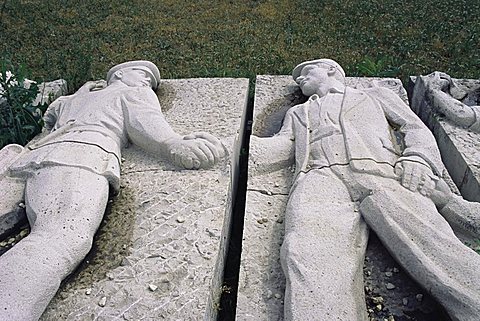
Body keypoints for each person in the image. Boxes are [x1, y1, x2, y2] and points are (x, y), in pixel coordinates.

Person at [251, 59, 480, 320]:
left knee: (433, 243)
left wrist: (418, 158)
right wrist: (221, 149)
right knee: (305, 251)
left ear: (331, 70)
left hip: (382, 173)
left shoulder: (375, 95)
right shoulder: (298, 113)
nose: (300, 79)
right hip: (319, 180)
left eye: (306, 72)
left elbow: (413, 127)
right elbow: (281, 147)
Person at [0, 60, 224, 321]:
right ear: (119, 75)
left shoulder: (69, 99)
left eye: (149, 81)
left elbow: (47, 125)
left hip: (34, 157)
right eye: (141, 76)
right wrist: (174, 145)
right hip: (81, 155)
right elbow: (145, 124)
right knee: (62, 237)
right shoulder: (133, 93)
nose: (146, 83)